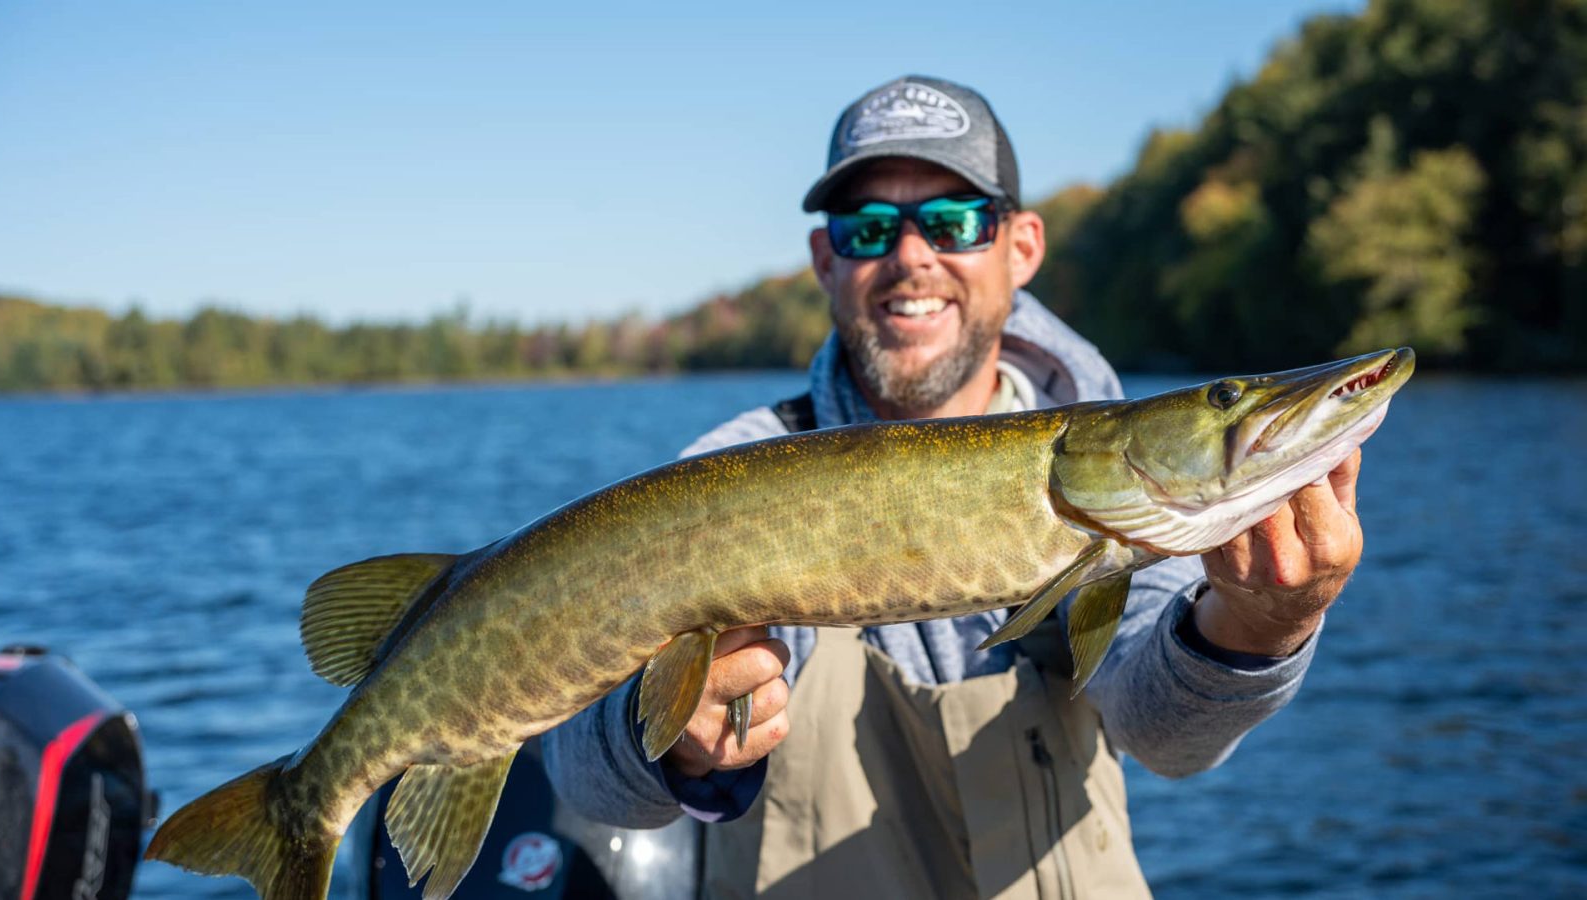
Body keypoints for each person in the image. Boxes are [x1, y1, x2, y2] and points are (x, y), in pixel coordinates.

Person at [541, 75, 1367, 898]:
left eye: (954, 221)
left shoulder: (1118, 481)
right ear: (827, 262)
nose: (910, 256)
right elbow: (579, 771)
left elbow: (1167, 737)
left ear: (1022, 247)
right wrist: (669, 738)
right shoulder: (734, 466)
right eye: (868, 228)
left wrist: (1260, 625)